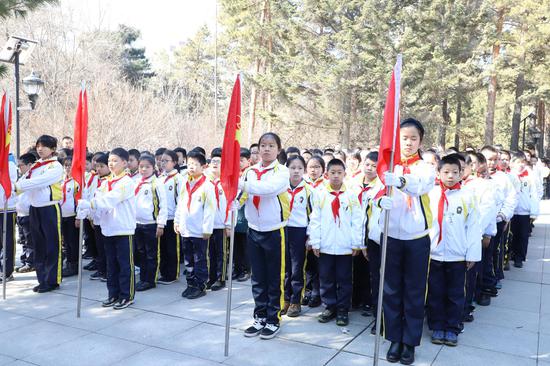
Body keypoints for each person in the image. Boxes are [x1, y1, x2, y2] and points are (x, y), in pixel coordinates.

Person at [378, 118, 435, 365]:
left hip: (415, 239)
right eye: (404, 138)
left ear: (420, 140)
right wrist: (380, 201)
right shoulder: (388, 165)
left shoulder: (425, 167)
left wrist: (400, 181)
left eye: (413, 138)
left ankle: (409, 341)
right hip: (391, 236)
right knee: (391, 290)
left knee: (413, 290)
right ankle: (394, 338)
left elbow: (421, 185)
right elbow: (373, 193)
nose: (408, 142)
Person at [240, 132, 289, 340]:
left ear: (278, 149)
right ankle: (259, 316)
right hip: (254, 231)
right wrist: (232, 200)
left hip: (274, 232)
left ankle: (273, 319)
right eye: (263, 145)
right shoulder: (250, 172)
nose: (266, 149)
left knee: (273, 278)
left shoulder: (282, 172)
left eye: (271, 145)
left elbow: (268, 190)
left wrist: (242, 185)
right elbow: (242, 196)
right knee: (258, 278)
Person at [427, 155, 480, 346]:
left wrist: (472, 254)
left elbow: (473, 227)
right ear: (438, 173)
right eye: (446, 172)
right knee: (435, 292)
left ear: (461, 173)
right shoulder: (431, 195)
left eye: (455, 172)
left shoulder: (467, 196)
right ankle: (437, 327)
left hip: (458, 255)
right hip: (434, 254)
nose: (450, 176)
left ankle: (452, 328)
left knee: (455, 294)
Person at [77, 147, 137, 310]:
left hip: (123, 229)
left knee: (124, 265)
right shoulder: (105, 182)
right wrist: (86, 210)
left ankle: (126, 295)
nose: (111, 164)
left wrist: (90, 204)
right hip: (107, 229)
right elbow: (98, 200)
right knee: (111, 265)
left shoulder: (127, 182)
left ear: (125, 163)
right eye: (109, 160)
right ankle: (113, 294)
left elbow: (110, 200)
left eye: (115, 160)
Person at [309, 158, 363, 326]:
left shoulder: (351, 194)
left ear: (345, 174)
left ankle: (342, 309)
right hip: (325, 245)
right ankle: (329, 306)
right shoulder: (320, 193)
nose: (336, 176)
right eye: (333, 172)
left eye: (339, 173)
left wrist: (356, 243)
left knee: (344, 279)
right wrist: (315, 242)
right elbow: (315, 219)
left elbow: (358, 220)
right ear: (327, 174)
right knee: (326, 278)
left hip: (345, 246)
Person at [15, 135, 64, 293]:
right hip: (34, 208)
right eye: (38, 146)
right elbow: (24, 180)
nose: (40, 149)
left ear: (53, 149)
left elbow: (40, 182)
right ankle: (42, 279)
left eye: (44, 146)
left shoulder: (55, 166)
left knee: (52, 245)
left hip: (49, 208)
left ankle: (52, 280)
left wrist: (18, 186)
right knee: (39, 246)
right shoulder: (36, 165)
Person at [175, 150, 216, 300]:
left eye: (195, 164)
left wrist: (207, 229)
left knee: (200, 259)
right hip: (186, 229)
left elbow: (210, 209)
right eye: (189, 163)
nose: (191, 167)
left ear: (203, 166)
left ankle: (200, 285)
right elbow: (180, 204)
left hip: (199, 231)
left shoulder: (207, 185)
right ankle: (190, 284)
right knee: (188, 259)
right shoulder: (185, 182)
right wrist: (177, 221)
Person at [354, 151, 384, 333]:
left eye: (375, 165)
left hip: (390, 239)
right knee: (375, 279)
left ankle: (386, 317)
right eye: (368, 164)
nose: (371, 168)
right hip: (371, 239)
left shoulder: (383, 184)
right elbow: (362, 217)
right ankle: (377, 317)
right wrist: (363, 243)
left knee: (387, 280)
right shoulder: (355, 184)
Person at [283, 155, 314, 317]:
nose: (296, 171)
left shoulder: (309, 190)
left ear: (304, 170)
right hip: (283, 230)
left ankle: (296, 300)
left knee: (297, 268)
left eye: (300, 168)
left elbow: (313, 216)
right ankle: (285, 298)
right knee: (284, 267)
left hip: (299, 232)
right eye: (292, 168)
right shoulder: (281, 188)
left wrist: (310, 236)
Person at [134, 154, 167, 291]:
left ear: (153, 168)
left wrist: (160, 224)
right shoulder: (137, 182)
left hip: (151, 224)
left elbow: (162, 205)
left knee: (151, 253)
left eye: (147, 167)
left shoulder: (157, 183)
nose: (144, 169)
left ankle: (150, 279)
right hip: (138, 223)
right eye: (141, 167)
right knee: (141, 252)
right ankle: (143, 278)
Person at [158, 149, 185, 285]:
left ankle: (172, 274)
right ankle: (164, 272)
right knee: (162, 248)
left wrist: (178, 218)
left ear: (174, 162)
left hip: (172, 218)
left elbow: (181, 199)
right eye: (161, 160)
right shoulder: (160, 178)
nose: (163, 163)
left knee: (172, 248)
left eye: (166, 161)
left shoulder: (178, 179)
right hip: (161, 219)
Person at [302, 155, 326, 308]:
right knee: (307, 265)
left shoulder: (326, 186)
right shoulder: (302, 185)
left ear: (323, 169)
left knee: (318, 264)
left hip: (320, 232)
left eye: (317, 167)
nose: (314, 170)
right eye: (311, 167)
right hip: (302, 230)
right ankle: (308, 290)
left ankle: (318, 292)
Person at [510, 152, 539, 268]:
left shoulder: (530, 176)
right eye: (518, 162)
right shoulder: (509, 175)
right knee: (512, 235)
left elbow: (534, 194)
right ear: (513, 164)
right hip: (511, 211)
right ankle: (509, 255)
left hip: (524, 211)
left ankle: (519, 257)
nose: (521, 165)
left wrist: (533, 212)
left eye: (523, 162)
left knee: (522, 235)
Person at [207, 148, 230, 291]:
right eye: (213, 161)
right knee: (210, 253)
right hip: (208, 225)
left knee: (221, 253)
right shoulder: (206, 182)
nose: (215, 163)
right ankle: (211, 277)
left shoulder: (226, 183)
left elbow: (229, 205)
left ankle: (220, 278)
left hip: (221, 224)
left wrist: (228, 225)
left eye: (219, 161)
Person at [87, 153, 110, 282]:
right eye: (97, 166)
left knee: (107, 248)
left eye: (102, 166)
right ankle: (101, 269)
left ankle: (107, 271)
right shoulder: (95, 179)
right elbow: (90, 196)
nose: (98, 169)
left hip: (106, 219)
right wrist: (91, 216)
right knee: (99, 247)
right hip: (96, 218)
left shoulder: (111, 181)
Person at [14, 153, 37, 273]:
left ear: (29, 165)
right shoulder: (22, 178)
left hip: (29, 214)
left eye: (21, 165)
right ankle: (25, 260)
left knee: (30, 240)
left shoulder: (33, 179)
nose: (19, 168)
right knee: (23, 240)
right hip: (20, 214)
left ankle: (31, 262)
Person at [232, 147, 252, 282]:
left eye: (242, 160)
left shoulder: (249, 173)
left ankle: (245, 269)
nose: (239, 162)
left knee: (244, 244)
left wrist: (237, 202)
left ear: (248, 160)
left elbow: (246, 191)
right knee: (236, 244)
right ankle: (237, 268)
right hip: (234, 212)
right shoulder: (235, 173)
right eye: (237, 160)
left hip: (243, 212)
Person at [60, 156, 80, 278]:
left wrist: (78, 216)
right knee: (66, 241)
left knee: (73, 241)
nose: (68, 168)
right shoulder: (61, 180)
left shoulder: (76, 182)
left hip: (72, 215)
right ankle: (69, 262)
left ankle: (74, 264)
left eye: (70, 165)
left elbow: (78, 200)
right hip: (62, 215)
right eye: (66, 165)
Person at [0, 156, 18, 283]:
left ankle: (7, 271)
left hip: (6, 207)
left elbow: (11, 185)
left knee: (7, 241)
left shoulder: (9, 163)